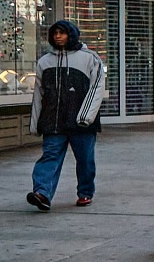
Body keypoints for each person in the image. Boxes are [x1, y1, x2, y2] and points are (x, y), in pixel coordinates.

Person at [26, 19, 107, 211]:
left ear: (71, 34)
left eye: (62, 33)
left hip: (81, 122)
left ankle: (85, 191)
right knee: (49, 156)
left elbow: (96, 89)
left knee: (85, 159)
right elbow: (39, 94)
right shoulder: (44, 62)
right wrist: (36, 122)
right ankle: (42, 193)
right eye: (55, 33)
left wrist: (85, 116)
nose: (57, 37)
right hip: (53, 121)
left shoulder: (90, 58)